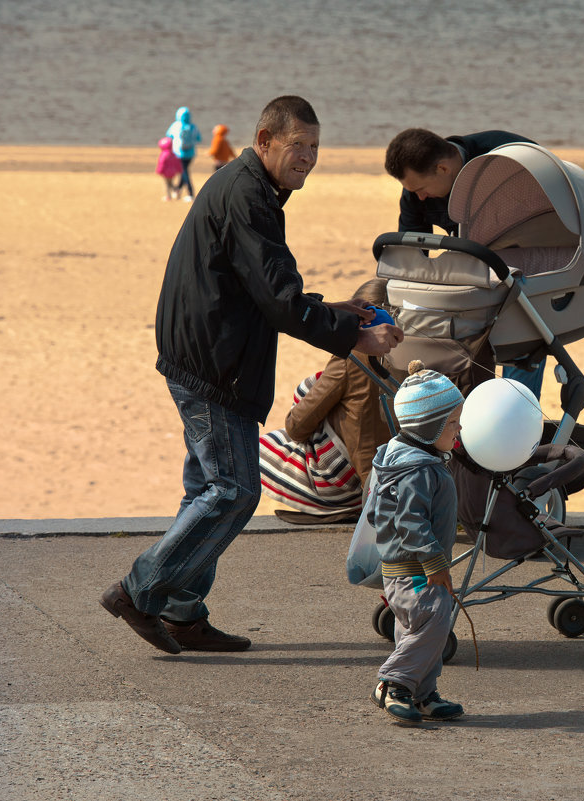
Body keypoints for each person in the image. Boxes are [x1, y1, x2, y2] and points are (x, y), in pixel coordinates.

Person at [100, 95, 404, 655]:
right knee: (235, 492)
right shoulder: (249, 196)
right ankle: (138, 591)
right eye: (297, 146)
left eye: (315, 147)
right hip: (213, 364)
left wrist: (335, 311)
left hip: (204, 353)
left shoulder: (253, 189)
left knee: (206, 489)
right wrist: (354, 337)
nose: (308, 158)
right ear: (264, 141)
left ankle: (183, 612)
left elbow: (266, 291)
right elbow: (280, 301)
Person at [384, 127, 546, 398]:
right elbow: (411, 257)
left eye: (422, 189)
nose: (419, 197)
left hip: (526, 268)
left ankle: (515, 411)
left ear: (443, 168)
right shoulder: (415, 192)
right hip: (471, 273)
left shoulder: (505, 159)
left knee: (522, 330)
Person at [368, 361, 466, 725]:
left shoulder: (399, 456)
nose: (459, 429)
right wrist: (435, 562)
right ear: (430, 426)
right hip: (417, 570)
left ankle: (422, 693)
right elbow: (411, 521)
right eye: (453, 423)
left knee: (416, 627)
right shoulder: (419, 471)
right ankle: (393, 683)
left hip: (403, 568)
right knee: (435, 619)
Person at [259, 278, 396, 524]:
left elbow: (297, 427)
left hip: (347, 484)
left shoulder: (351, 358)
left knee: (251, 449)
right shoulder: (413, 355)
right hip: (390, 482)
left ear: (364, 318)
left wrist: (308, 388)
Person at [165, 106, 202, 201]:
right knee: (184, 171)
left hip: (179, 153)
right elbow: (199, 139)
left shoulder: (176, 125)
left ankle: (190, 193)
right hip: (191, 154)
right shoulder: (193, 126)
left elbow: (168, 136)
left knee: (184, 172)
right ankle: (177, 190)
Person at [155, 136, 182, 201]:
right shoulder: (173, 154)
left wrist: (159, 171)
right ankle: (176, 190)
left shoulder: (163, 155)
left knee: (167, 184)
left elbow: (161, 164)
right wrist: (179, 170)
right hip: (173, 172)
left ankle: (168, 196)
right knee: (171, 183)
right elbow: (177, 163)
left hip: (166, 173)